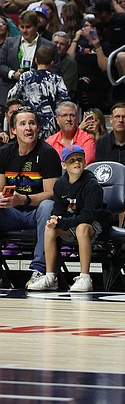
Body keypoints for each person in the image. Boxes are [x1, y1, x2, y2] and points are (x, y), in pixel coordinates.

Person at [26, 144, 111, 293]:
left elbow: (88, 215)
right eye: (71, 160)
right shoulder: (59, 184)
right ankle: (50, 277)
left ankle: (85, 277)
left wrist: (64, 223)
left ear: (85, 162)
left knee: (82, 227)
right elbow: (58, 209)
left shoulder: (91, 184)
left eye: (79, 159)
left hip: (96, 224)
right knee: (50, 228)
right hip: (72, 222)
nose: (76, 163)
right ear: (63, 165)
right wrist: (55, 219)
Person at [0, 107, 61, 288]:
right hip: (12, 213)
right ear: (13, 130)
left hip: (37, 213)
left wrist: (24, 199)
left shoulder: (48, 154)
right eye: (23, 124)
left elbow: (51, 193)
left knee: (48, 206)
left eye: (32, 123)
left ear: (38, 128)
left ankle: (40, 271)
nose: (28, 128)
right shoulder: (4, 153)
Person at [8, 45, 70, 138]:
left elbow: (11, 96)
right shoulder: (56, 79)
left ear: (36, 60)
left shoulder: (26, 76)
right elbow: (65, 101)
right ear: (52, 62)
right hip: (51, 126)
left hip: (29, 124)